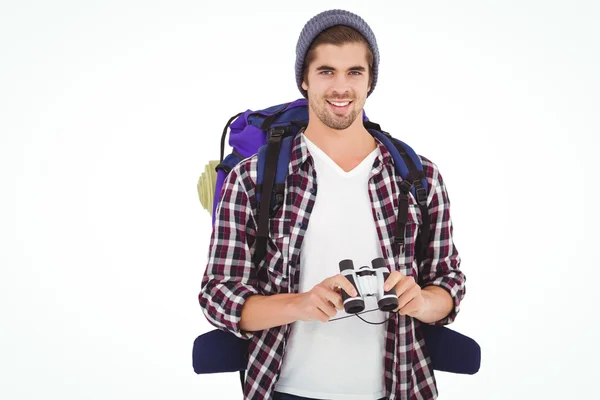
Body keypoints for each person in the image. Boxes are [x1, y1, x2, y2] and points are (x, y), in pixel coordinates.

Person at [199, 9, 466, 400]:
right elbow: (218, 294)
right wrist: (299, 304)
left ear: (370, 80)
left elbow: (449, 283)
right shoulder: (253, 178)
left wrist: (422, 301)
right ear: (304, 80)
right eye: (326, 71)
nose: (341, 87)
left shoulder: (419, 177)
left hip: (399, 387)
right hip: (285, 389)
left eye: (354, 72)